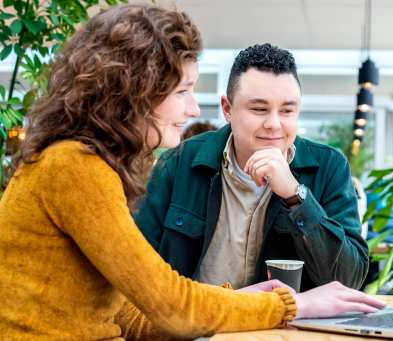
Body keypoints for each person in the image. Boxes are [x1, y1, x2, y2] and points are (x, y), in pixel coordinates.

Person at [0, 4, 384, 340]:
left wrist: (247, 299)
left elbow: (132, 311)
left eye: (288, 109)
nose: (193, 109)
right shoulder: (75, 168)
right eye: (182, 92)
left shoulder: (79, 162)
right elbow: (170, 303)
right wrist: (291, 304)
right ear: (134, 93)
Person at [135, 44, 369, 292]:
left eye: (287, 110)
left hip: (287, 328)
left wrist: (295, 196)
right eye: (259, 109)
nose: (274, 124)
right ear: (227, 109)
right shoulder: (180, 163)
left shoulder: (329, 167)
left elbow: (348, 281)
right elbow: (137, 265)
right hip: (198, 324)